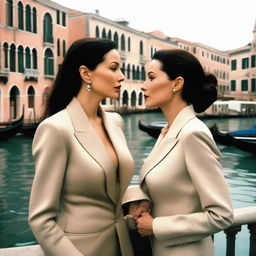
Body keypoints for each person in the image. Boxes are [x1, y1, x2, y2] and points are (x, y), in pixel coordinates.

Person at [28, 38, 135, 256]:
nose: (121, 76)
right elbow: (41, 219)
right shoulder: (55, 129)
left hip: (123, 246)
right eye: (114, 68)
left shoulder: (115, 122)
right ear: (86, 74)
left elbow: (113, 184)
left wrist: (137, 197)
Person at [123, 49, 234, 256]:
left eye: (151, 77)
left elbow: (221, 215)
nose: (143, 85)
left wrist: (156, 226)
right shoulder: (168, 131)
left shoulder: (193, 134)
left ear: (176, 83)